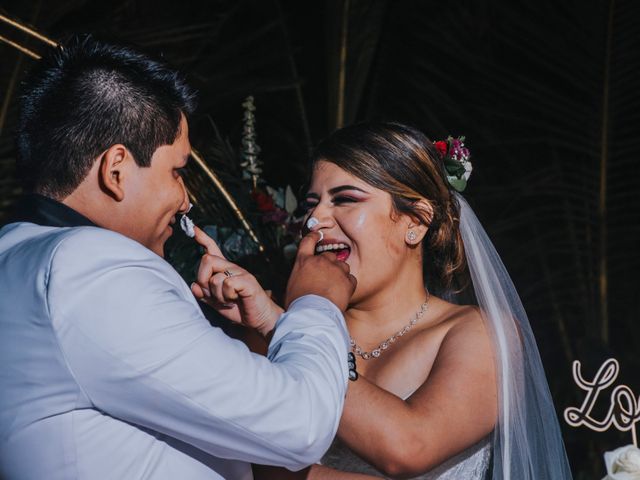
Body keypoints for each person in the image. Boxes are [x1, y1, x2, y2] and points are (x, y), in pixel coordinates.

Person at [0, 35, 357, 480]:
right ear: (116, 170)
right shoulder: (92, 269)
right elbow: (299, 425)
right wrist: (314, 303)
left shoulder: (14, 252)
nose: (187, 200)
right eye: (177, 171)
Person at [243, 123, 574, 479]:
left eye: (345, 199)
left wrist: (283, 329)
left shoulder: (479, 336)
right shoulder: (269, 329)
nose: (314, 220)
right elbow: (261, 471)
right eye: (312, 204)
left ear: (415, 221)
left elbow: (408, 447)